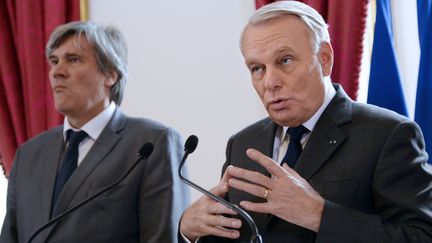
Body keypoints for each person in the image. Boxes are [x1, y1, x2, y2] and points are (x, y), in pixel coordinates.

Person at [179, 1, 432, 242]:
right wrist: (189, 230)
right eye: (257, 68)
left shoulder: (387, 134)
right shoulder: (243, 143)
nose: (270, 82)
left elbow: (421, 236)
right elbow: (233, 234)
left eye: (285, 60)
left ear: (324, 58)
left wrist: (319, 215)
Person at [0, 21, 189, 243]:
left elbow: (162, 238)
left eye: (73, 60)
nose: (57, 72)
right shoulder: (28, 154)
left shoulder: (152, 143)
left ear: (110, 74)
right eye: (54, 61)